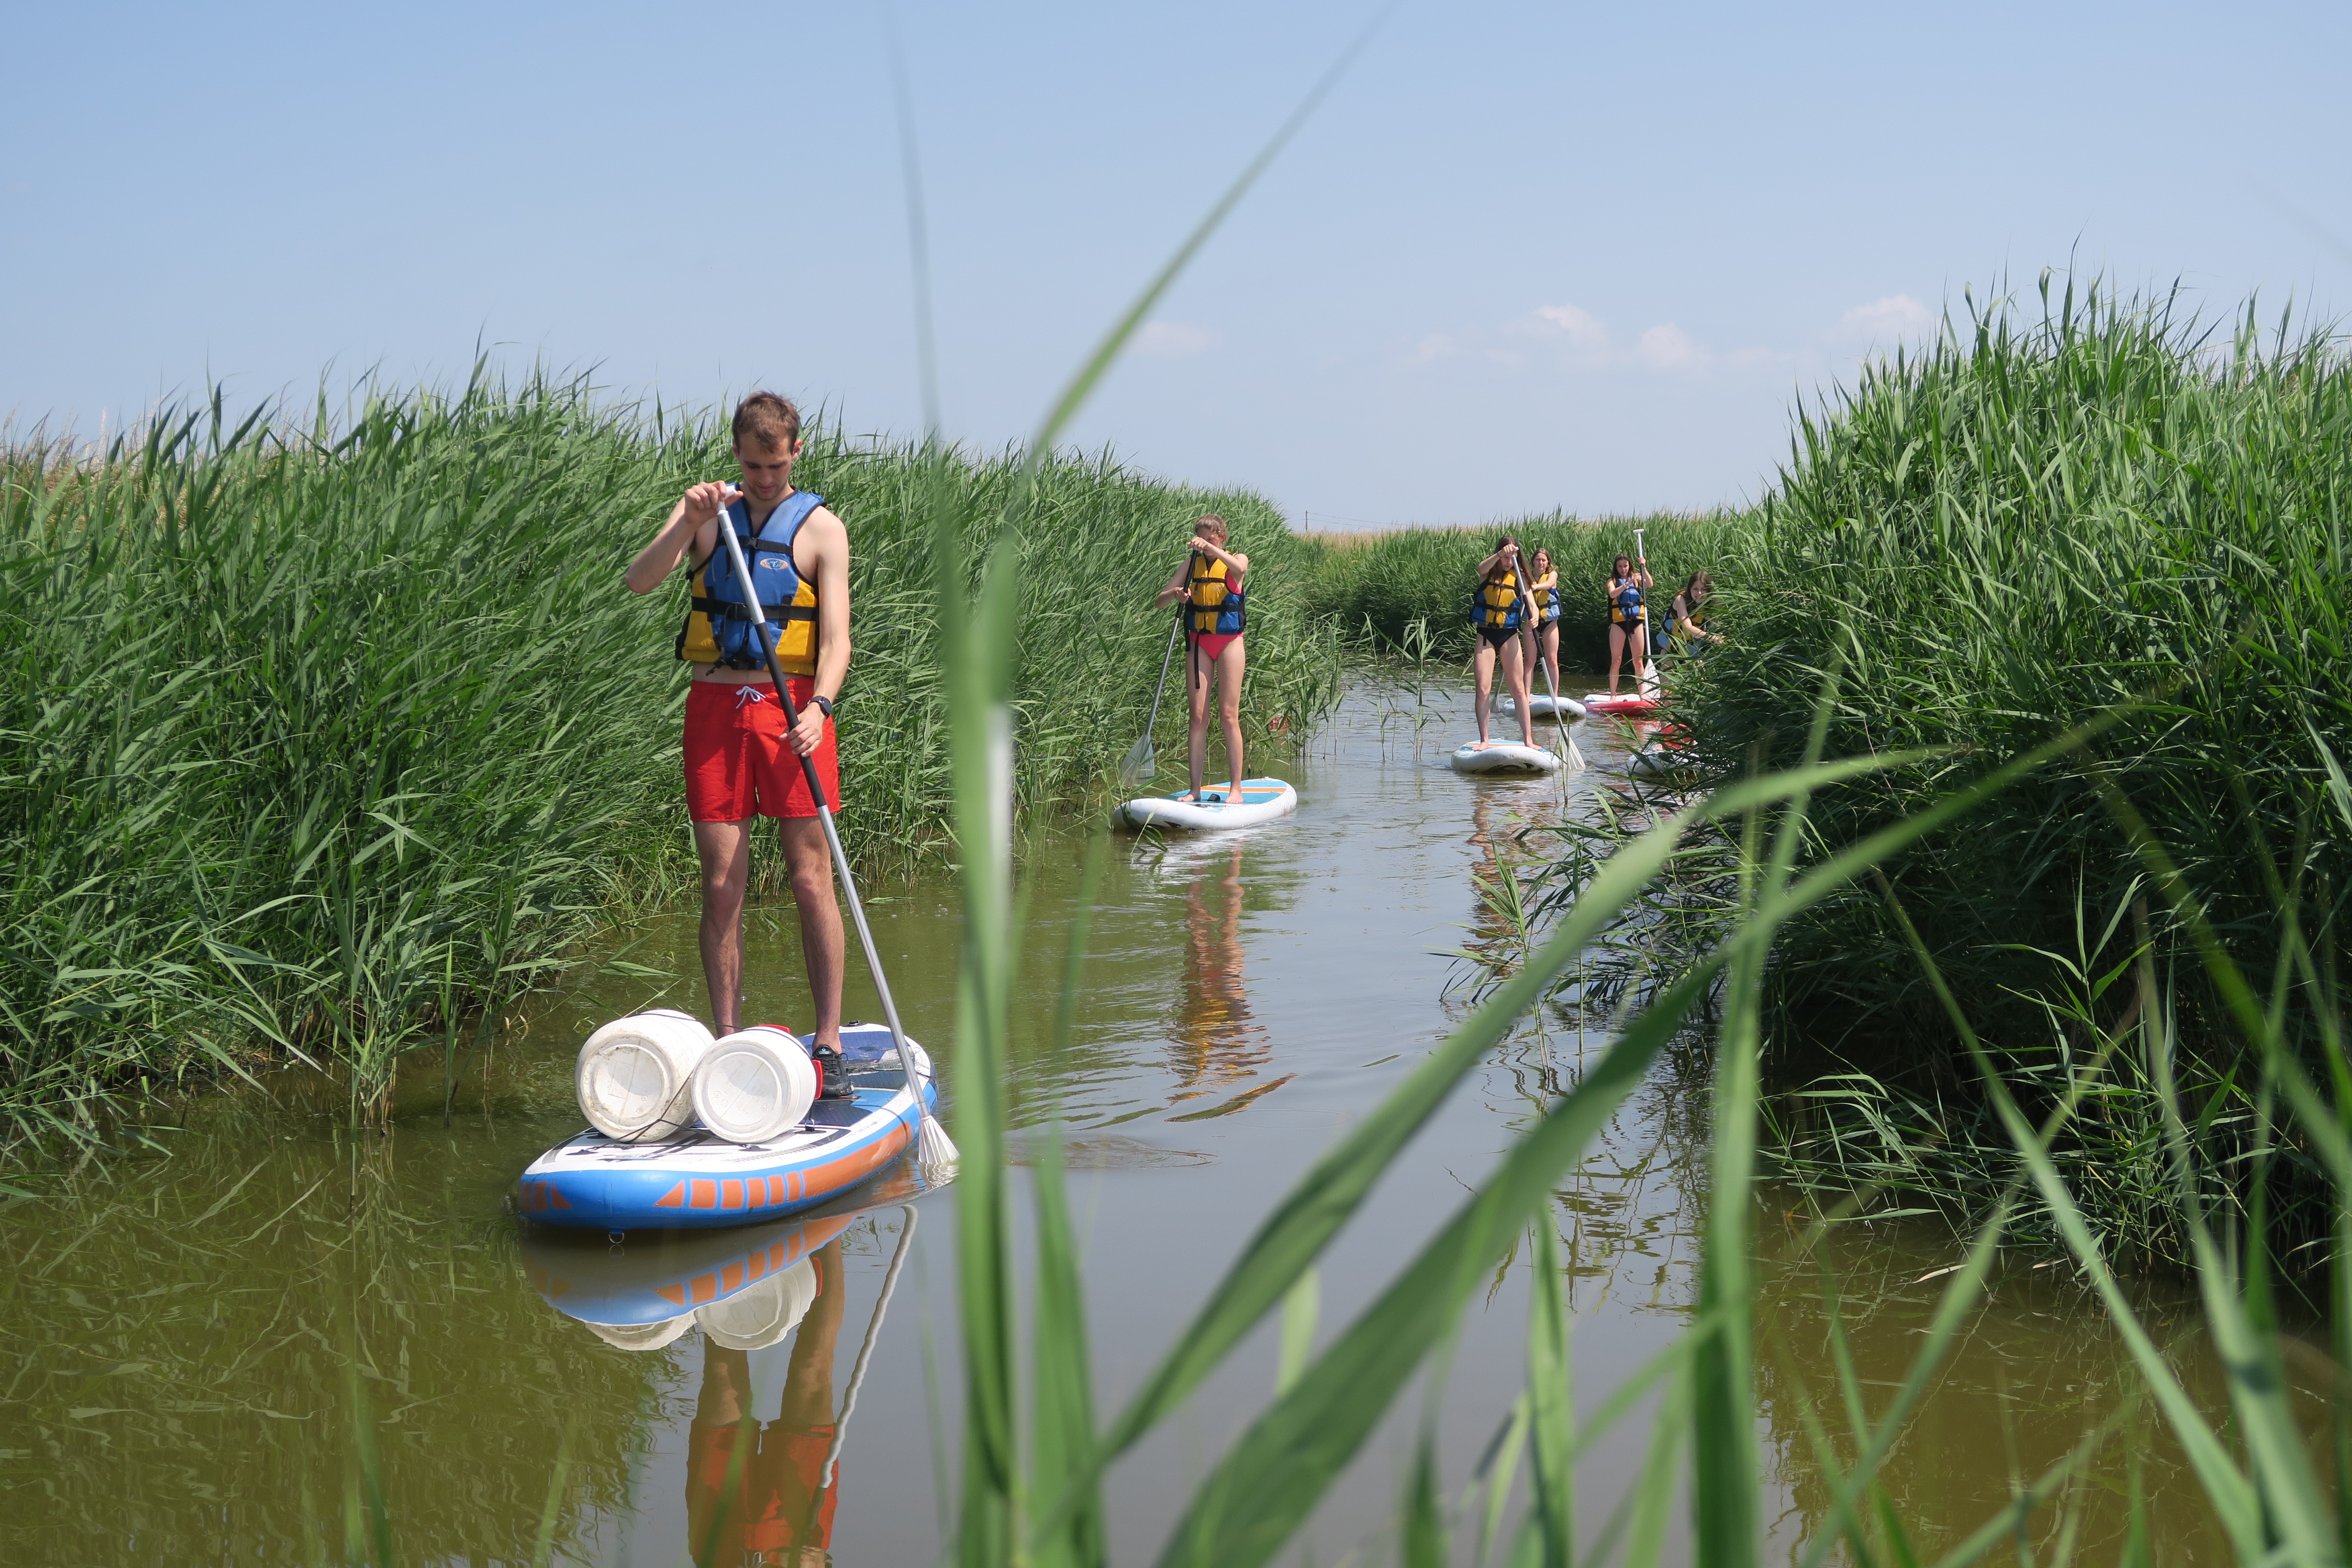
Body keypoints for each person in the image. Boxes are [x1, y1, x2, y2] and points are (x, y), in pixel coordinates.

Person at [624, 391, 853, 1098]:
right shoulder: (704, 512)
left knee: (811, 878)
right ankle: (726, 1038)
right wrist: (688, 524)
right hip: (717, 705)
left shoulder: (822, 530)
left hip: (793, 711)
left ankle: (830, 1041)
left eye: (775, 465)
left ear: (796, 454)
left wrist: (820, 706)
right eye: (752, 465)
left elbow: (839, 640)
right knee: (722, 883)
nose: (762, 479)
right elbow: (640, 581)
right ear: (736, 454)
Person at [686, 1233, 849, 1566]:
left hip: (722, 1547)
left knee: (721, 1372)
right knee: (813, 1371)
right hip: (793, 1541)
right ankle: (832, 1224)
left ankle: (724, 1231)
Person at [1154, 515, 1249, 803]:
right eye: (1201, 538)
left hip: (1229, 642)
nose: (1205, 544)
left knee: (1229, 715)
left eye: (1210, 538)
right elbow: (1159, 601)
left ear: (1221, 536)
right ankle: (1195, 790)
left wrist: (1212, 549)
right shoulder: (1191, 564)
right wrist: (1175, 594)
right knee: (1197, 718)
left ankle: (1236, 790)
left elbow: (1240, 568)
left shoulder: (1236, 558)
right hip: (1198, 643)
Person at [1471, 535, 1537, 746]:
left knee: (1518, 689)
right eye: (1505, 557)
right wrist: (1500, 553)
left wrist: (1534, 615)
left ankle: (1528, 739)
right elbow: (1481, 568)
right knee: (1483, 688)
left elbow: (1531, 603)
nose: (1508, 562)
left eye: (1512, 557)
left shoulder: (1521, 577)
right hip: (1486, 635)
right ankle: (1485, 740)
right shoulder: (1488, 573)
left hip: (1510, 635)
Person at [1604, 551, 1653, 695]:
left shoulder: (1637, 579)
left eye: (1625, 566)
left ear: (1629, 565)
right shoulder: (1612, 581)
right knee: (1616, 660)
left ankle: (1642, 695)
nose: (1623, 569)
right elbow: (1613, 594)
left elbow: (1649, 584)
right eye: (1620, 566)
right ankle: (1613, 695)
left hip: (1636, 621)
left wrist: (1644, 567)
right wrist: (1627, 584)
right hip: (1618, 623)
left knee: (1638, 661)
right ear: (1616, 568)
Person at [1527, 546, 1564, 699]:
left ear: (1548, 562)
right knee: (1530, 661)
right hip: (1531, 622)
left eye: (1543, 560)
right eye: (1538, 560)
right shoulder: (1526, 576)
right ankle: (1527, 696)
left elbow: (1549, 585)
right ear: (1533, 562)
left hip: (1550, 622)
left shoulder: (1552, 574)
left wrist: (1533, 587)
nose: (1541, 563)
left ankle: (1554, 695)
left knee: (1552, 660)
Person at [1667, 571, 1720, 657]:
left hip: (1691, 642)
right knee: (1669, 663)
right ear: (1690, 589)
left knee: (1699, 668)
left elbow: (1716, 625)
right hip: (1672, 641)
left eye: (1703, 589)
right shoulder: (1681, 599)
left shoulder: (1710, 601)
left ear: (1709, 590)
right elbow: (1687, 629)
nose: (1699, 593)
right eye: (1695, 589)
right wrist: (1712, 638)